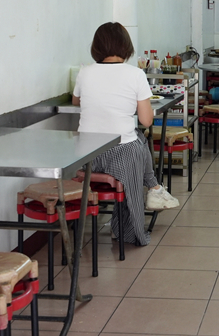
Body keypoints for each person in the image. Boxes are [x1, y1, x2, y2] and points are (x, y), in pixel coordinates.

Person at [72, 22, 179, 247]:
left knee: (137, 139)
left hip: (86, 155)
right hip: (121, 156)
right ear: (126, 47)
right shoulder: (135, 74)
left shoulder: (85, 72)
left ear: (96, 47)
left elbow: (76, 101)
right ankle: (150, 193)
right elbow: (146, 120)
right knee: (138, 140)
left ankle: (154, 187)